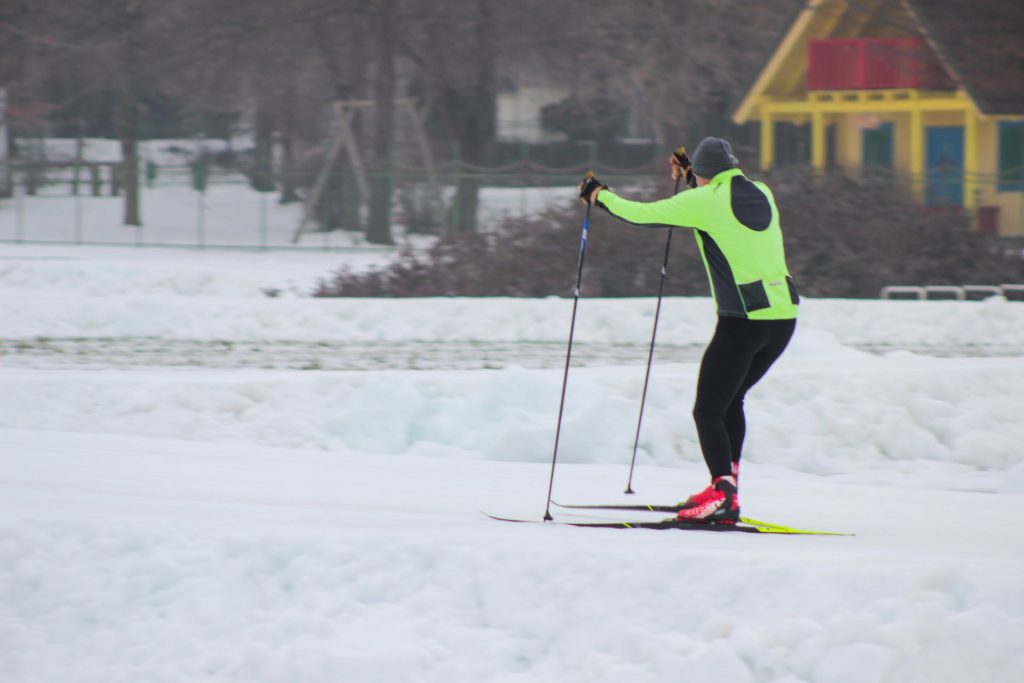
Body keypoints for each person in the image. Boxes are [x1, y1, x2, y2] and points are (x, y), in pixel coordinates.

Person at [578, 137, 799, 522]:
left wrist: (600, 197)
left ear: (703, 175)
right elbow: (720, 186)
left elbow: (640, 214)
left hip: (742, 322)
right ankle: (725, 486)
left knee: (708, 410)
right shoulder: (761, 191)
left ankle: (723, 496)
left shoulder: (706, 200)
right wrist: (694, 173)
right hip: (782, 320)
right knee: (732, 401)